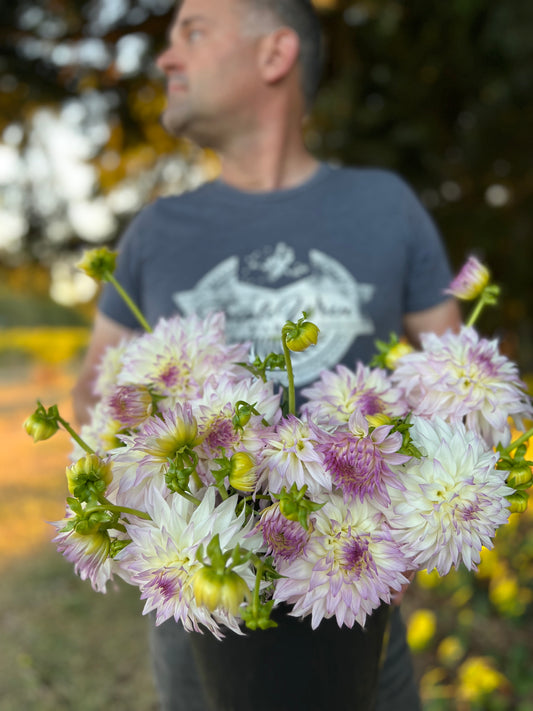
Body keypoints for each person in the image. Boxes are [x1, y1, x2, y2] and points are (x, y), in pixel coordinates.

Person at [73, 0, 462, 709]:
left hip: (357, 607)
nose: (165, 59)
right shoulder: (155, 229)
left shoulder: (387, 206)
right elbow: (96, 402)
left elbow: (457, 382)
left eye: (191, 32)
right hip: (204, 620)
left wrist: (423, 518)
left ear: (274, 55)